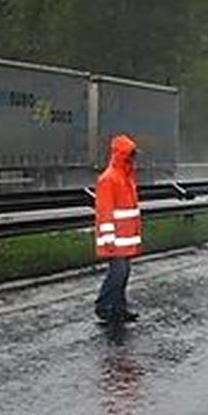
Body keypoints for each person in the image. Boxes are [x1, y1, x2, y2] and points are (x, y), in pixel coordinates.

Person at [94, 134, 142, 324]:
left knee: (122, 273)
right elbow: (104, 211)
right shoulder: (109, 179)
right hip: (116, 240)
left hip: (125, 238)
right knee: (118, 273)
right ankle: (104, 306)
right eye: (131, 155)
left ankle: (118, 308)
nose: (133, 158)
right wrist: (109, 239)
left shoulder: (126, 176)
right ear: (122, 155)